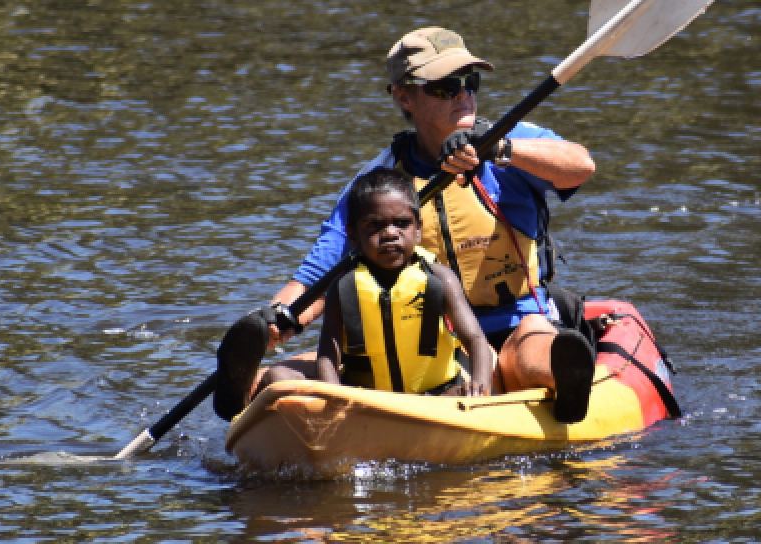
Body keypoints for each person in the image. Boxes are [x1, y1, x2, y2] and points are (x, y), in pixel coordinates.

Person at [214, 26, 597, 423]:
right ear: (403, 96)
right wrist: (278, 317)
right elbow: (321, 272)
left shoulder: (509, 141)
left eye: (470, 82)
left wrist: (500, 149)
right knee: (283, 378)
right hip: (416, 341)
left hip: (514, 323)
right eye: (446, 86)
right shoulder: (379, 185)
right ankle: (245, 389)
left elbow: (579, 166)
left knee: (532, 355)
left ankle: (564, 377)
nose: (464, 94)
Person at [240, 166, 495, 397]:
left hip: (435, 394)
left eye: (402, 224)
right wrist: (334, 396)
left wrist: (480, 385)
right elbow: (329, 355)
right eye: (374, 226)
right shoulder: (343, 287)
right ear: (353, 235)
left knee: (466, 393)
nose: (390, 234)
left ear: (418, 230)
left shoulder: (440, 278)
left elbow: (475, 339)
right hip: (365, 397)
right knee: (276, 377)